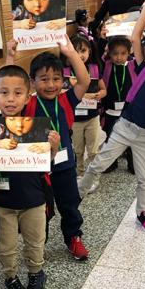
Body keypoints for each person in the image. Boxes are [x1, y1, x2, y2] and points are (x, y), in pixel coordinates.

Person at [78, 0, 145, 232]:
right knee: (98, 165)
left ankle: (143, 213)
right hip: (125, 128)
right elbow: (135, 38)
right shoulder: (143, 68)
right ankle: (78, 195)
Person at [0, 65, 60, 289]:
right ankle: (11, 277)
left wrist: (53, 147)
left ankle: (36, 272)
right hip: (2, 201)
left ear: (27, 96)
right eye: (4, 93)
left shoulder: (38, 127)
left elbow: (46, 165)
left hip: (33, 198)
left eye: (17, 93)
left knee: (36, 240)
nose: (11, 99)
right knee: (7, 245)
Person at [5, 36, 91, 260]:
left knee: (70, 203)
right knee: (40, 209)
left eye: (56, 79)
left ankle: (74, 236)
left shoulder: (65, 100)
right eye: (44, 79)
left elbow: (84, 81)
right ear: (32, 82)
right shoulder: (28, 103)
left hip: (64, 164)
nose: (51, 84)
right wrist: (10, 57)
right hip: (37, 170)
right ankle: (37, 243)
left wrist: (71, 53)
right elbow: (8, 86)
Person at [64, 34, 107, 180]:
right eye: (75, 51)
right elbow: (64, 93)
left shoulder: (94, 69)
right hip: (75, 119)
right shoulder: (66, 72)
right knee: (78, 150)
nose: (80, 55)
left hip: (92, 117)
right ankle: (80, 173)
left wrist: (101, 93)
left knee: (93, 149)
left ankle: (93, 175)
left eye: (83, 51)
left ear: (89, 51)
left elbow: (103, 89)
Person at [101, 35, 137, 173]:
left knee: (131, 138)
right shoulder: (106, 65)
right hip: (110, 110)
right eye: (115, 53)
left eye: (123, 53)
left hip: (128, 111)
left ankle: (133, 163)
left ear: (129, 52)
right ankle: (111, 162)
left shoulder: (133, 65)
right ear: (109, 53)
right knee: (110, 137)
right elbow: (99, 57)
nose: (119, 57)